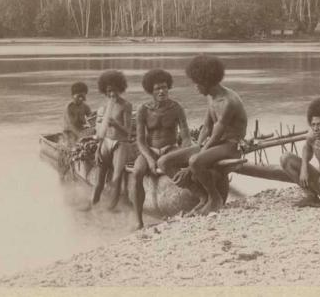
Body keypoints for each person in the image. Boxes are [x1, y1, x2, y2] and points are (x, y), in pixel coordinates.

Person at [158, 55, 247, 216]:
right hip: (217, 143)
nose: (195, 87)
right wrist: (197, 146)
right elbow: (207, 127)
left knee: (194, 161)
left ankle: (215, 198)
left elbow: (216, 135)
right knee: (164, 162)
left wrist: (190, 165)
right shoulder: (211, 96)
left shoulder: (228, 102)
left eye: (197, 83)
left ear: (207, 82)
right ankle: (202, 196)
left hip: (231, 145)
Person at [236, 98, 320, 212]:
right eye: (313, 124)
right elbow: (307, 148)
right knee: (286, 158)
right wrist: (304, 168)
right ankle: (312, 197)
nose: (316, 128)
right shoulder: (313, 136)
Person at [128, 69, 191, 230]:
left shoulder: (177, 108)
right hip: (150, 149)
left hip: (171, 148)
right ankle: (138, 220)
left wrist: (184, 154)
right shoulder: (143, 109)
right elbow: (140, 140)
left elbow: (186, 137)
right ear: (151, 91)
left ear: (168, 87)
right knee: (136, 173)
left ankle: (194, 198)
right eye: (157, 88)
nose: (162, 91)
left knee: (181, 169)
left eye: (164, 87)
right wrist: (149, 159)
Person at [92, 70, 133, 208]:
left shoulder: (126, 106)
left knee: (116, 178)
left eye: (114, 90)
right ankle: (94, 205)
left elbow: (128, 132)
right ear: (104, 91)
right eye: (109, 91)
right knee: (98, 181)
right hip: (105, 143)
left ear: (120, 89)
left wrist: (115, 124)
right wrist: (98, 150)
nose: (112, 94)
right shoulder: (103, 108)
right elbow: (101, 132)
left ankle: (110, 209)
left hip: (121, 143)